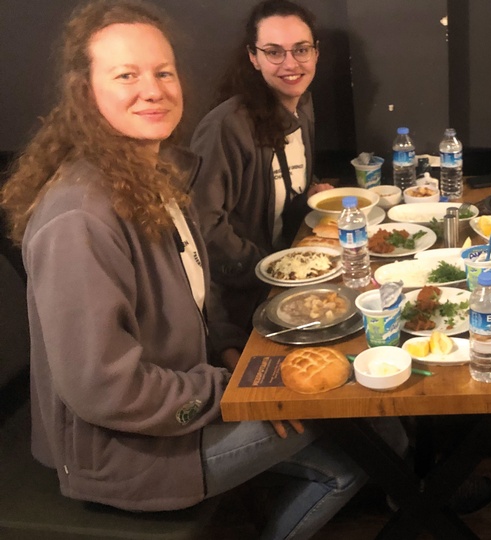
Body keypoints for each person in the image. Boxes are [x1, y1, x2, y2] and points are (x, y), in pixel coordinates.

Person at [0, 2, 401, 538]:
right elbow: (104, 390)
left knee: (359, 446)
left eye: (163, 72)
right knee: (350, 404)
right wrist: (229, 394)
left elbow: (200, 296)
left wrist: (230, 348)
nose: (153, 89)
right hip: (128, 454)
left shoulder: (155, 175)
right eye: (126, 75)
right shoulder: (77, 218)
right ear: (84, 91)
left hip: (182, 407)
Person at [190, 0, 333, 343]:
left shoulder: (303, 108)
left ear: (316, 53)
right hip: (238, 307)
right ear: (253, 57)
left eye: (301, 50)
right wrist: (271, 267)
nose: (291, 64)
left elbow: (276, 190)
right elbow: (202, 226)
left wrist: (308, 195)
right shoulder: (226, 127)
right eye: (274, 52)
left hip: (288, 281)